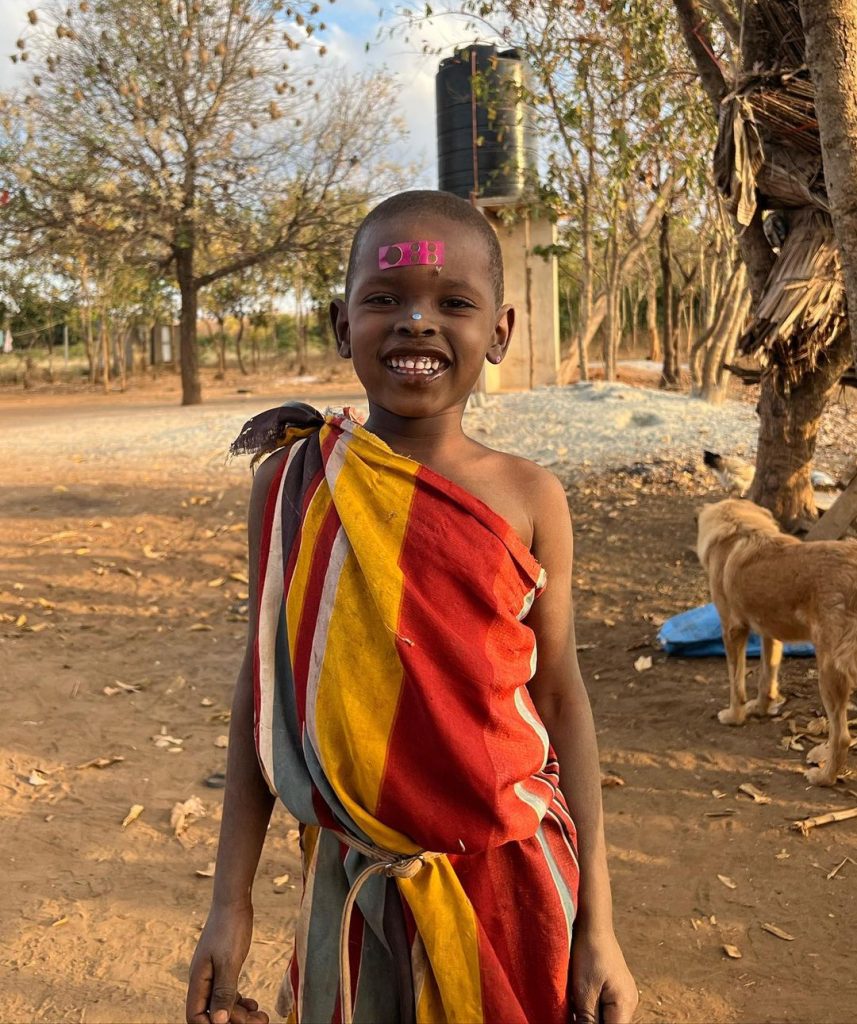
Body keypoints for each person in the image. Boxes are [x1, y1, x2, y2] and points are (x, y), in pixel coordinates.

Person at [186, 190, 637, 1024]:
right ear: (339, 321)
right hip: (350, 892)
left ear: (498, 331)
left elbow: (561, 699)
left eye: (452, 304)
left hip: (515, 885)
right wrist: (230, 904)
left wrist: (597, 929)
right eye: (384, 300)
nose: (416, 323)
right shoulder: (293, 485)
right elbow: (264, 691)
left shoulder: (529, 496)